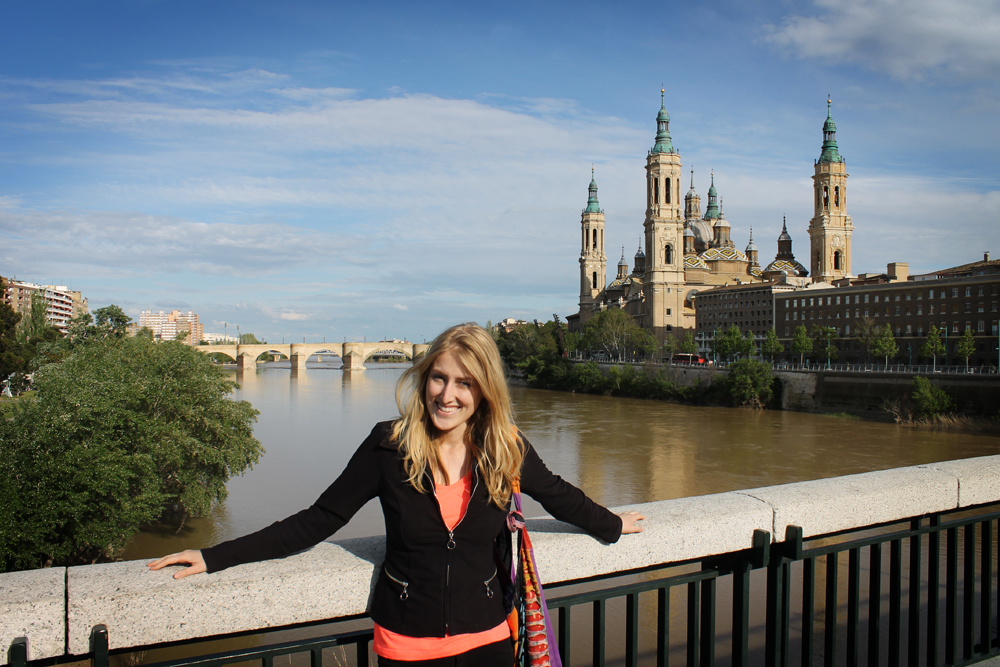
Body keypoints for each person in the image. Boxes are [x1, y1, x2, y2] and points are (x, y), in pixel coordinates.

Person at [149, 323, 644, 666]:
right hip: (407, 644)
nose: (447, 395)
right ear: (424, 376)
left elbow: (557, 493)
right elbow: (318, 518)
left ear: (485, 391)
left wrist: (613, 525)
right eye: (439, 378)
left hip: (490, 639)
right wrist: (215, 556)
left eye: (465, 384)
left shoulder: (504, 448)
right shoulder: (388, 445)